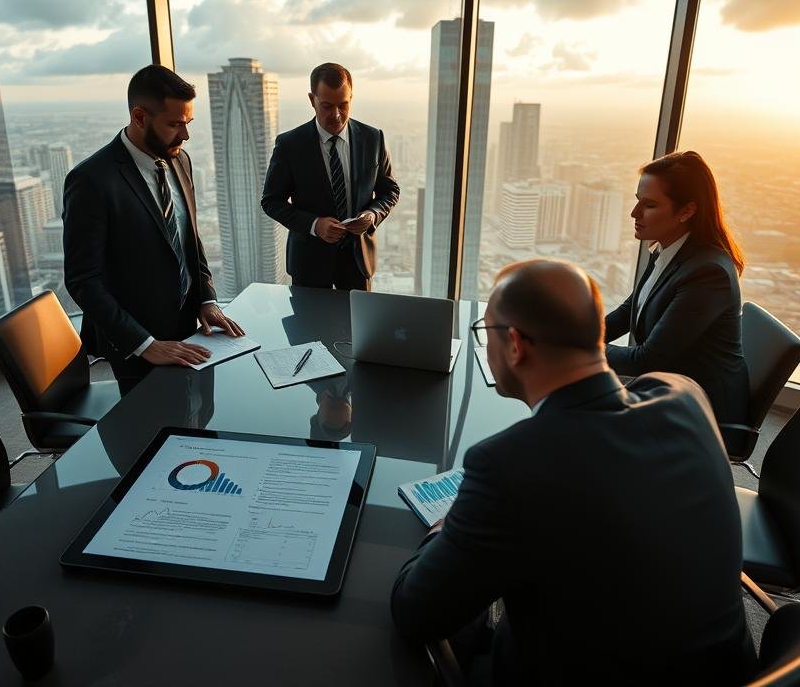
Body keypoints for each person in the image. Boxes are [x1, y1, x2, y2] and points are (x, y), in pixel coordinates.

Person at [391, 259, 755, 685]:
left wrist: (444, 525)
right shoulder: (684, 395)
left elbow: (415, 613)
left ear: (514, 345)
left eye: (485, 333)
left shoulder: (509, 465)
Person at [64, 64, 244, 393]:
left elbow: (190, 238)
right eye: (174, 124)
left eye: (188, 123)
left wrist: (207, 300)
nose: (185, 135)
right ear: (140, 116)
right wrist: (146, 344)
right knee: (152, 436)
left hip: (190, 327)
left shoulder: (180, 159)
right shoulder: (91, 181)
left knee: (202, 419)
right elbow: (83, 281)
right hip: (137, 343)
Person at [604, 150, 749, 423]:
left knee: (578, 418)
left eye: (649, 205)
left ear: (687, 211)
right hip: (671, 385)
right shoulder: (667, 248)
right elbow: (628, 312)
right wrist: (579, 334)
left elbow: (647, 360)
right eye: (637, 202)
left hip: (702, 407)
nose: (634, 213)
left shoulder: (708, 273)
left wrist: (576, 348)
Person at [261, 62, 399, 290]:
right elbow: (271, 201)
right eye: (326, 106)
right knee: (310, 326)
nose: (336, 115)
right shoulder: (289, 145)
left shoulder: (373, 138)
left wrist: (372, 215)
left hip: (358, 262)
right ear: (311, 99)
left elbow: (390, 191)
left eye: (344, 104)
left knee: (358, 325)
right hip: (309, 265)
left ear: (351, 97)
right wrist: (315, 225)